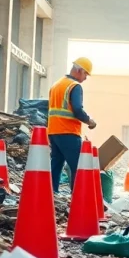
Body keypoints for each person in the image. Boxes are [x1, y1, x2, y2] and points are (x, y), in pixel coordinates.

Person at [47, 57, 97, 193]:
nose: (85, 78)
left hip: (53, 131)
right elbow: (77, 110)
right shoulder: (74, 86)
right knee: (78, 167)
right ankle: (78, 198)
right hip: (68, 131)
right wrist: (89, 121)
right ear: (79, 70)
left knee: (56, 164)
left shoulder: (56, 85)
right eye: (85, 74)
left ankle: (51, 194)